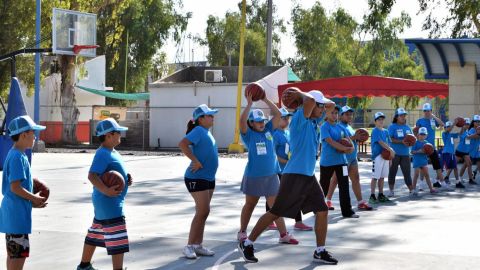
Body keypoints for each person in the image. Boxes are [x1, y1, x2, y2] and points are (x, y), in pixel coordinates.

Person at [238, 90, 338, 265]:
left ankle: (320, 251)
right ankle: (247, 243)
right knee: (275, 212)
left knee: (322, 211)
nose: (323, 109)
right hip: (294, 175)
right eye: (319, 106)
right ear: (310, 105)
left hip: (308, 175)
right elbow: (310, 101)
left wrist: (317, 102)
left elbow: (332, 105)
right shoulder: (300, 117)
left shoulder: (314, 121)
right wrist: (300, 95)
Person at [237, 94, 298, 245]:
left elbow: (278, 113)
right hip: (254, 176)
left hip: (271, 175)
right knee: (250, 205)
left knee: (275, 207)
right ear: (251, 123)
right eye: (257, 121)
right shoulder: (248, 135)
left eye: (262, 120)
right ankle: (242, 231)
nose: (261, 123)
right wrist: (249, 104)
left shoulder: (269, 130)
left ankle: (283, 234)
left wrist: (264, 99)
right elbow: (241, 122)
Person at [77, 118, 132, 270]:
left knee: (95, 234)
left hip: (105, 203)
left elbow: (112, 173)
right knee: (117, 238)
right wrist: (106, 190)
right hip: (110, 202)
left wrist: (126, 179)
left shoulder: (111, 151)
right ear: (108, 136)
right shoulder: (102, 153)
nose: (120, 134)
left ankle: (84, 266)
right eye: (118, 132)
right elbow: (92, 175)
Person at [0, 115, 47, 270]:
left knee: (13, 256)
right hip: (16, 217)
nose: (35, 136)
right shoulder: (17, 157)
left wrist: (32, 203)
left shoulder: (17, 155)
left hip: (14, 214)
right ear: (23, 134)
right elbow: (15, 187)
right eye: (33, 132)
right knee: (18, 257)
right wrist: (34, 198)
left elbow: (16, 189)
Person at [178, 104, 219, 259]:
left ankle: (197, 245)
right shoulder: (198, 131)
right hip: (196, 177)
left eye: (212, 115)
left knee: (204, 211)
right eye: (209, 115)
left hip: (209, 177)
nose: (212, 117)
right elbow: (182, 144)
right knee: (202, 211)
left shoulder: (206, 132)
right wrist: (194, 160)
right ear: (200, 119)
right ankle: (189, 246)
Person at [266, 108, 313, 231]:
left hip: (290, 169)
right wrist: (287, 162)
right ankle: (270, 220)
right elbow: (273, 154)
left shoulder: (287, 133)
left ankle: (298, 221)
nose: (286, 121)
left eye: (288, 118)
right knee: (274, 196)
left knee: (295, 195)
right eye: (283, 118)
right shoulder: (275, 135)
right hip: (279, 170)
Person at [325, 106, 372, 211]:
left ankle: (360, 202)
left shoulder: (349, 127)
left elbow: (350, 141)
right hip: (343, 159)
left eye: (351, 114)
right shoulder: (338, 127)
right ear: (341, 115)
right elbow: (340, 141)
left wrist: (358, 139)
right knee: (335, 180)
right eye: (347, 114)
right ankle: (327, 200)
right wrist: (354, 138)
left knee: (356, 179)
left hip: (353, 158)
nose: (349, 116)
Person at [319, 105, 358, 218]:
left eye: (336, 113)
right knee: (323, 187)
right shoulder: (324, 127)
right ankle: (318, 209)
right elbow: (330, 141)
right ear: (326, 114)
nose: (334, 115)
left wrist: (351, 147)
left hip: (342, 162)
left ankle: (347, 211)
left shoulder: (341, 128)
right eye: (332, 113)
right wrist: (345, 148)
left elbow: (349, 141)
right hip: (327, 162)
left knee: (344, 186)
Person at [415, 103, 445, 188]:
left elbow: (442, 124)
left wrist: (434, 117)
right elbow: (416, 133)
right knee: (422, 166)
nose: (426, 112)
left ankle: (443, 183)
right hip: (422, 146)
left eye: (428, 110)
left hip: (432, 147)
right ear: (423, 111)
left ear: (431, 111)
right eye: (425, 111)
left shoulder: (433, 120)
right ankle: (421, 183)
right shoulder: (419, 121)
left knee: (437, 165)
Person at [387, 108, 414, 196]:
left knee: (407, 173)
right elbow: (390, 138)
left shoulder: (407, 127)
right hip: (394, 154)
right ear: (396, 117)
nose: (403, 117)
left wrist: (410, 143)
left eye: (404, 115)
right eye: (401, 115)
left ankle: (411, 190)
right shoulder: (392, 126)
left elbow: (412, 139)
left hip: (405, 154)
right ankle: (391, 191)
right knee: (392, 172)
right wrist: (401, 141)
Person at [370, 112, 395, 204]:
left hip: (385, 157)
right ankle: (372, 195)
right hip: (377, 156)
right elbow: (380, 142)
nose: (381, 121)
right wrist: (391, 150)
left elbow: (388, 144)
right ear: (375, 121)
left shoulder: (386, 131)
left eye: (382, 119)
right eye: (378, 119)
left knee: (382, 177)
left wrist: (390, 158)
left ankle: (381, 194)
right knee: (375, 176)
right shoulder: (375, 130)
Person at [411, 127, 438, 195]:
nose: (422, 136)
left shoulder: (427, 143)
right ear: (418, 135)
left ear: (426, 135)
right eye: (421, 134)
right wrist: (419, 151)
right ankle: (413, 189)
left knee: (427, 175)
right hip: (417, 161)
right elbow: (412, 152)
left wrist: (429, 152)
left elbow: (429, 152)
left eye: (424, 134)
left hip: (424, 161)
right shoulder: (415, 142)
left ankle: (431, 189)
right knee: (416, 175)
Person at [441, 120, 463, 188]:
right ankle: (437, 181)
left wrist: (462, 126)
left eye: (449, 126)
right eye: (447, 126)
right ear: (445, 128)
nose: (449, 128)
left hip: (452, 154)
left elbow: (460, 133)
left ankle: (457, 182)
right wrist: (454, 123)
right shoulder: (444, 133)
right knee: (442, 169)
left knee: (455, 168)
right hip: (446, 153)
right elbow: (449, 129)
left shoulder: (451, 135)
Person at [455, 118, 473, 184]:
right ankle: (446, 177)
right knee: (453, 165)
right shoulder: (462, 131)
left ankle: (470, 179)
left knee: (469, 164)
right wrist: (462, 125)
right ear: (463, 125)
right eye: (465, 124)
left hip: (466, 152)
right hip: (460, 151)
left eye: (468, 124)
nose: (467, 125)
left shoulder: (467, 131)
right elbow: (462, 134)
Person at [466, 115, 480, 185]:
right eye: (476, 121)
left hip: (477, 151)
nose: (478, 123)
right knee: (467, 165)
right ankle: (469, 179)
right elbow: (468, 137)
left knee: (479, 164)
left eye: (479, 121)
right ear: (473, 122)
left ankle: (473, 174)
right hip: (470, 151)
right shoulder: (471, 130)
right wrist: (476, 134)